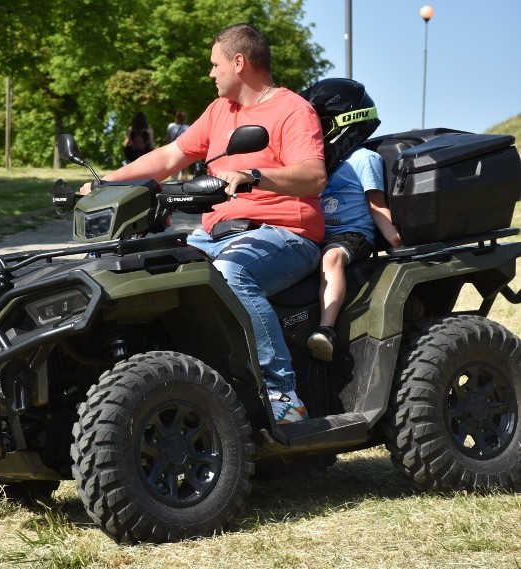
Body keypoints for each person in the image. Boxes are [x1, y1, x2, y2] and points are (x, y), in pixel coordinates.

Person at [83, 23, 327, 424]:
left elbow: (314, 175)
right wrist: (102, 183)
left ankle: (283, 395)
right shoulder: (219, 112)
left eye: (215, 65)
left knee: (231, 273)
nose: (210, 73)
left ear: (238, 62)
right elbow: (166, 158)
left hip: (286, 235)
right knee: (150, 270)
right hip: (215, 234)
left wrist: (254, 175)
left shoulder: (292, 110)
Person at [300, 79, 403, 362]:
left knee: (331, 259)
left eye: (320, 124)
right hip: (323, 233)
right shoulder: (322, 165)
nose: (313, 132)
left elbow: (377, 206)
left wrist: (395, 239)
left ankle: (326, 329)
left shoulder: (364, 159)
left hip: (352, 235)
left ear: (342, 122)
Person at [166, 111, 190, 180]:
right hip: (184, 149)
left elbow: (167, 139)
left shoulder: (171, 126)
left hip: (172, 149)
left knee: (174, 167)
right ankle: (185, 183)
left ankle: (173, 182)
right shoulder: (187, 127)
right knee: (184, 168)